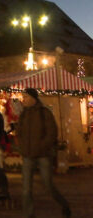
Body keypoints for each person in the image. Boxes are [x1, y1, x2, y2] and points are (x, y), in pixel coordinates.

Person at [18, 88, 71, 218]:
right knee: (26, 189)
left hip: (43, 155)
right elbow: (20, 133)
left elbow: (52, 133)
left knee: (48, 186)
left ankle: (64, 205)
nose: (23, 100)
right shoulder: (23, 114)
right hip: (27, 155)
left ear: (33, 98)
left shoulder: (44, 113)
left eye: (25, 97)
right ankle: (29, 214)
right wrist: (22, 147)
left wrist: (41, 147)